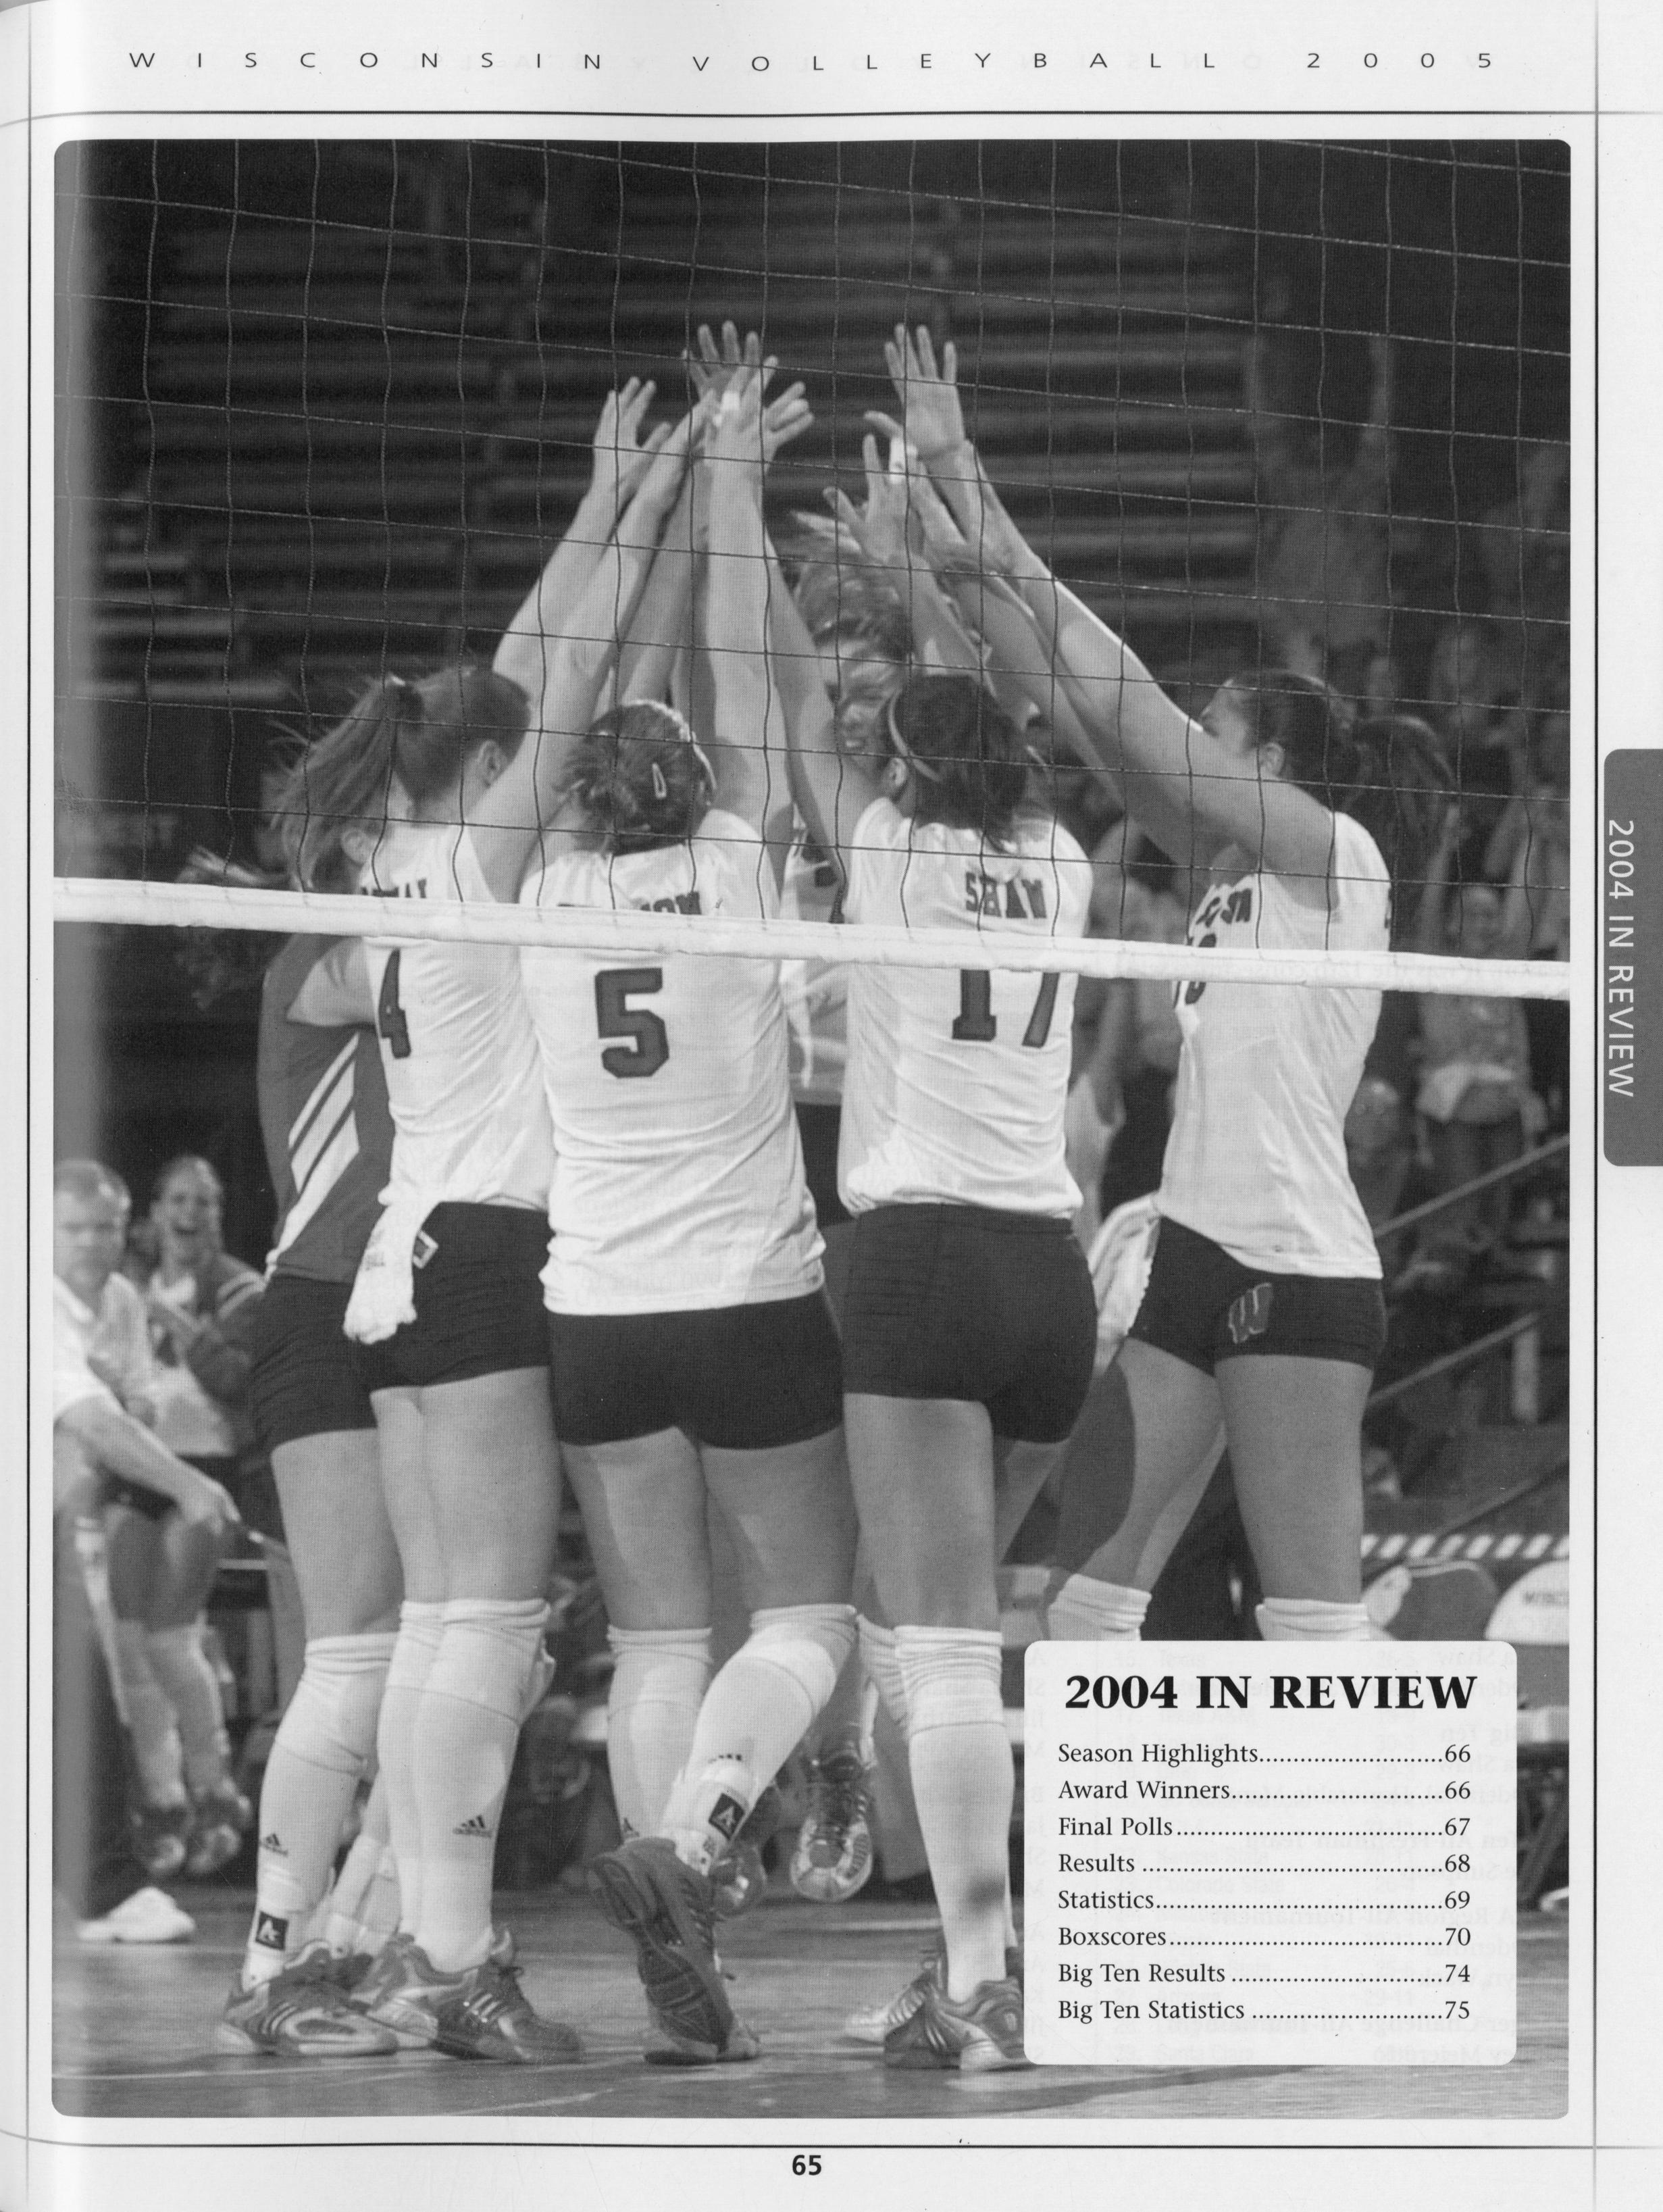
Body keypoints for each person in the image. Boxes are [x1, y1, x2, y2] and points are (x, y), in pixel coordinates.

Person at [870, 325, 1446, 1656]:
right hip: (1191, 1249)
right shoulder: (1220, 873)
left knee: (1308, 1622)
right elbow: (1077, 706)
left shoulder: (1334, 860)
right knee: (1084, 1603)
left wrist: (978, 495)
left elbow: (1126, 696)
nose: (1198, 725)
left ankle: (1381, 1716)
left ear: (1272, 759)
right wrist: (941, 557)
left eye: (1219, 719)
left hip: (1296, 1263)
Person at [259, 391, 698, 2065]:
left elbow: (523, 669)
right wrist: (654, 505)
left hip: (403, 1266)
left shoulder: (388, 859)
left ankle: (415, 1947)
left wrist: (607, 501)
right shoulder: (469, 858)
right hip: (488, 1245)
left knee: (446, 1630)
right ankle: (451, 1956)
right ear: (485, 775)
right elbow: (562, 679)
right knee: (486, 1629)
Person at [519, 373, 856, 2064]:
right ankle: (703, 1838)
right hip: (746, 1294)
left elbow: (580, 685)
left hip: (594, 1305)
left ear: (582, 797)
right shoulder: (735, 864)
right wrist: (732, 484)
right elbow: (742, 675)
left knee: (656, 1632)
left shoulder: (536, 885)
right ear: (694, 786)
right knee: (808, 1618)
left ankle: (682, 1926)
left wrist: (642, 497)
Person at [788, 547, 1097, 2078]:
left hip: (918, 1264)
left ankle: (984, 1977)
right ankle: (958, 1941)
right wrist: (918, 557)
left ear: (902, 768)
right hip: (1049, 1281)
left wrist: (724, 505)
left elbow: (794, 710)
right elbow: (990, 707)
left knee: (948, 1644)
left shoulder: (884, 852)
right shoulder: (1063, 859)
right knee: (939, 1631)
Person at [213, 923, 406, 2059]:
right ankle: (270, 1967)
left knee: (472, 1656)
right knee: (356, 1656)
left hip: (429, 1300)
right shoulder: (319, 961)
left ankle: (358, 1943)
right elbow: (442, 962)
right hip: (327, 1305)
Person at [53, 1159, 240, 1943]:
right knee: (98, 1673)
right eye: (73, 1228)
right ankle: (122, 1863)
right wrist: (188, 1484)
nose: (91, 1242)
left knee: (114, 1669)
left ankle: (192, 1802)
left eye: (104, 1226)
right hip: (79, 1506)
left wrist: (127, 1403)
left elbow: (134, 1403)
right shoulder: (32, 1297)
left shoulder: (127, 1300)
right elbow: (94, 1419)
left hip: (66, 1511)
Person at [108, 1155, 261, 1878]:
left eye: (204, 1200)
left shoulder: (239, 1286)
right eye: (177, 1199)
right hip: (136, 1466)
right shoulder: (121, 1286)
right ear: (156, 1211)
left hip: (206, 1469)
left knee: (172, 1637)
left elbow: (239, 1380)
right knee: (129, 1640)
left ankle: (215, 1788)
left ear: (219, 1212)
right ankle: (164, 1798)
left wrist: (169, 1316)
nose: (190, 1213)